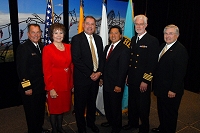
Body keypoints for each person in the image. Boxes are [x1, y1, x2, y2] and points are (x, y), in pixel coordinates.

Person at [122, 15, 159, 133]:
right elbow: (131, 60)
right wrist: (128, 75)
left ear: (146, 25)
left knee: (143, 106)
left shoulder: (152, 40)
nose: (138, 26)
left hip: (143, 80)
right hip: (132, 79)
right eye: (136, 24)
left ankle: (144, 127)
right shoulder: (133, 39)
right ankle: (132, 123)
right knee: (132, 104)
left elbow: (152, 64)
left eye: (141, 24)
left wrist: (146, 81)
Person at [151, 24, 188, 133]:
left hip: (171, 91)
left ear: (177, 35)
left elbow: (180, 73)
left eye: (171, 33)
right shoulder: (163, 46)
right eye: (166, 33)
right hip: (161, 88)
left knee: (170, 114)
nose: (167, 36)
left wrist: (173, 89)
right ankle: (162, 128)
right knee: (162, 111)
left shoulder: (180, 50)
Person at [71, 16, 104, 133]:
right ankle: (81, 127)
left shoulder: (99, 39)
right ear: (83, 25)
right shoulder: (76, 39)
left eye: (93, 24)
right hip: (82, 79)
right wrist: (91, 74)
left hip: (95, 79)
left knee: (91, 103)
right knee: (80, 105)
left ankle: (91, 123)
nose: (90, 26)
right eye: (88, 24)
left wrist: (99, 72)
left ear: (95, 26)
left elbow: (102, 58)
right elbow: (76, 59)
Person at [16, 24, 50, 133]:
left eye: (38, 32)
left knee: (40, 111)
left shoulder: (41, 46)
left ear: (41, 33)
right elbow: (21, 70)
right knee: (31, 113)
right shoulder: (23, 48)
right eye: (33, 32)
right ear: (28, 34)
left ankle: (39, 129)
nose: (36, 35)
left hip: (40, 87)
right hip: (30, 88)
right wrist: (27, 87)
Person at [42, 23, 73, 133]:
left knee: (62, 109)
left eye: (61, 32)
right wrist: (51, 88)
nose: (58, 35)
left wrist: (72, 84)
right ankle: (54, 129)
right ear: (52, 35)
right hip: (55, 85)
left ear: (64, 34)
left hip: (66, 84)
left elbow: (71, 66)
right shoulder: (48, 49)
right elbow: (46, 70)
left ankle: (60, 127)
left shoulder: (69, 47)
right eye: (56, 33)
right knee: (55, 110)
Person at [100, 25, 130, 133]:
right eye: (111, 33)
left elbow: (123, 69)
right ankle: (110, 121)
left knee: (115, 108)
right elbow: (104, 65)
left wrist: (118, 85)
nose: (113, 35)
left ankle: (116, 127)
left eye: (116, 33)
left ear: (120, 35)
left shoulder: (124, 49)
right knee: (108, 105)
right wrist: (102, 78)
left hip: (115, 85)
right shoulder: (108, 47)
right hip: (106, 83)